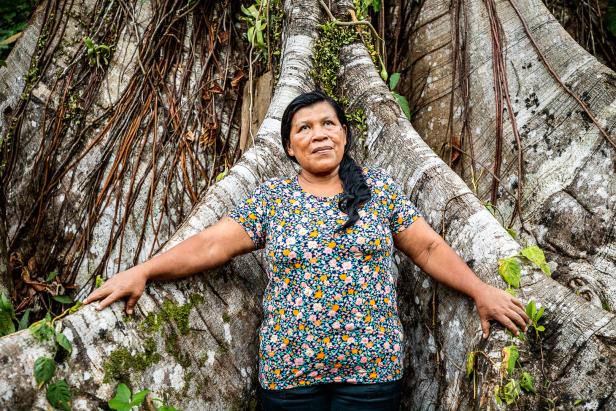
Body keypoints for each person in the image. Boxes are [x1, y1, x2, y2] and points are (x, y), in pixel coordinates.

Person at [84, 90, 530, 410]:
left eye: (328, 124)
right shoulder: (271, 199)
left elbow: (429, 248)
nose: (318, 134)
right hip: (288, 376)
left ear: (344, 134)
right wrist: (143, 271)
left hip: (371, 375)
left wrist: (480, 291)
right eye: (304, 128)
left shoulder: (380, 191)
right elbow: (213, 242)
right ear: (289, 146)